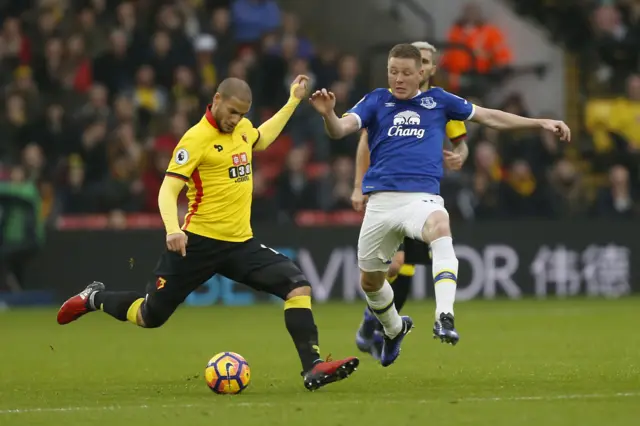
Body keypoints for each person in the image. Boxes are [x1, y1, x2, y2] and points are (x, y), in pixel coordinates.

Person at [56, 76, 359, 391]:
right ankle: (94, 298)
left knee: (298, 286)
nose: (235, 119)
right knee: (150, 315)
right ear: (216, 99)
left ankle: (313, 367)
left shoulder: (242, 129)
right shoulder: (195, 139)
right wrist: (173, 229)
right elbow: (167, 190)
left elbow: (262, 138)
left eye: (241, 114)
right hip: (196, 245)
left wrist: (293, 100)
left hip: (241, 244)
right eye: (231, 111)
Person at [309, 43, 570, 367]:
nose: (399, 79)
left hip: (422, 198)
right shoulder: (376, 99)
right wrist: (329, 115)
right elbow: (341, 130)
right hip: (381, 203)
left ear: (423, 73)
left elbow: (489, 117)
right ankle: (393, 329)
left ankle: (444, 315)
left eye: (406, 73)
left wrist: (539, 122)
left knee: (440, 227)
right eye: (393, 72)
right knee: (371, 282)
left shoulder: (439, 101)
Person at [351, 41, 469, 360]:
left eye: (428, 61)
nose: (424, 66)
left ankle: (379, 325)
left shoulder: (440, 103)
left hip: (421, 196)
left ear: (429, 69)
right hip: (387, 195)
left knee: (407, 268)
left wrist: (459, 156)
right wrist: (357, 186)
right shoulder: (385, 102)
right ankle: (376, 323)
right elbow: (364, 144)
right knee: (396, 265)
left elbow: (461, 142)